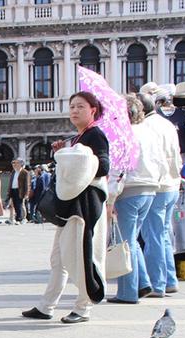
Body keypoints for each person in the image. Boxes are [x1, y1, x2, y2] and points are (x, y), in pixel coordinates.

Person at [22, 91, 109, 324]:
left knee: (80, 256)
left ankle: (84, 307)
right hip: (70, 207)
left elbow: (102, 167)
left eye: (80, 106)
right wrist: (62, 153)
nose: (74, 111)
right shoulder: (79, 137)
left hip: (84, 208)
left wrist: (70, 155)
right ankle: (46, 305)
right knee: (58, 258)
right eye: (72, 107)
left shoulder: (95, 135)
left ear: (93, 110)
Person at [108, 94, 165, 304]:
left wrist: (110, 198)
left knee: (125, 242)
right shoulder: (149, 133)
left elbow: (117, 169)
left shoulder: (123, 135)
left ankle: (128, 292)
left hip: (129, 189)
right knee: (132, 239)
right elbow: (161, 161)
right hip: (149, 188)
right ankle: (143, 282)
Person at [139, 93, 183, 296]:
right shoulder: (166, 123)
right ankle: (170, 279)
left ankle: (158, 283)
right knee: (163, 234)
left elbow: (151, 158)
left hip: (157, 186)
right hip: (172, 184)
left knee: (153, 236)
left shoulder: (146, 127)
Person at [7, 158, 30, 224]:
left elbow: (26, 184)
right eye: (15, 163)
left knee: (19, 204)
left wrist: (26, 193)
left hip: (20, 191)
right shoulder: (14, 172)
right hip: (13, 190)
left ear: (21, 164)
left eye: (17, 163)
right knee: (15, 205)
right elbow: (11, 182)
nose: (15, 164)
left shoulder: (24, 172)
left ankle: (20, 219)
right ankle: (18, 218)